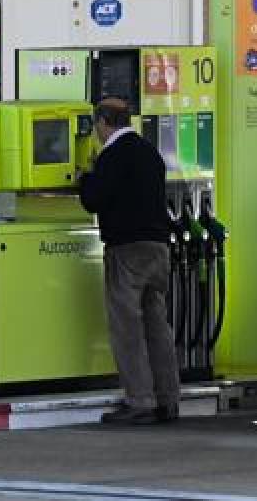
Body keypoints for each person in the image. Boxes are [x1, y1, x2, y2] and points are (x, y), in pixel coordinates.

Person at [77, 97, 179, 426]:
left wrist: (84, 177)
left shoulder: (113, 155)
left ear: (103, 122)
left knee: (127, 328)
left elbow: (93, 200)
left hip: (127, 251)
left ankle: (140, 401)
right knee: (156, 326)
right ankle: (167, 399)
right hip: (157, 248)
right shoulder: (149, 152)